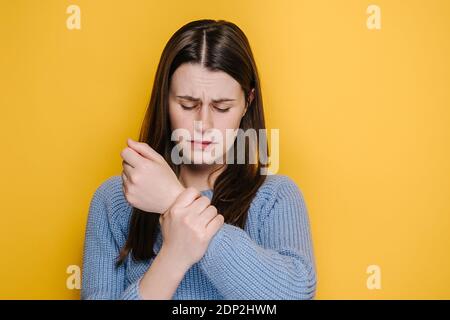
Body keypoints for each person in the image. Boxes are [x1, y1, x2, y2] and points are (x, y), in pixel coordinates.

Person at [81, 19, 316, 300]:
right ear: (164, 100)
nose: (203, 123)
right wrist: (174, 256)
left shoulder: (275, 198)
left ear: (247, 102)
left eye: (222, 106)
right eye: (187, 104)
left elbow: (295, 296)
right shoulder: (114, 202)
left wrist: (174, 201)